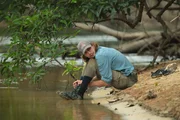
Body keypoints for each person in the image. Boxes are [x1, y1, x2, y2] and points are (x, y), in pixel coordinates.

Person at [57, 41, 138, 100]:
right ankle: (78, 91)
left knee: (92, 62)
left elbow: (106, 82)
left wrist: (87, 84)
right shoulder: (99, 52)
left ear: (92, 45)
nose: (89, 53)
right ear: (84, 55)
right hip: (126, 77)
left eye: (89, 49)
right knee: (91, 61)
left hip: (129, 80)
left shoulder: (100, 55)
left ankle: (79, 92)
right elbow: (101, 74)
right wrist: (83, 82)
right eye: (86, 52)